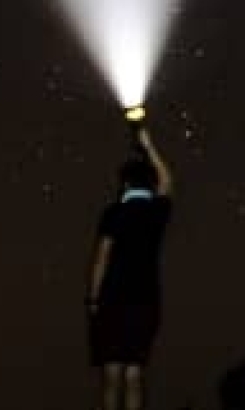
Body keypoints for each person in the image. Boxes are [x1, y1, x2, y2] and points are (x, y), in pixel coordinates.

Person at [88, 124, 174, 410]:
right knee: (134, 373)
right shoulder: (155, 213)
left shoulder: (114, 213)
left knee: (112, 374)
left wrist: (93, 298)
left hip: (113, 300)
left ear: (124, 184)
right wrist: (149, 147)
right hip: (146, 300)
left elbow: (102, 257)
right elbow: (168, 182)